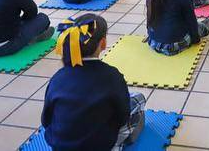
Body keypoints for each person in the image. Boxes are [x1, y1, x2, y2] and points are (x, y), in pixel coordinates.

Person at [41, 14, 146, 150]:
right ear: (103, 43)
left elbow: (46, 120)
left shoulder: (58, 78)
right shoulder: (112, 76)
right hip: (101, 145)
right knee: (138, 98)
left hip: (60, 146)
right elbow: (123, 117)